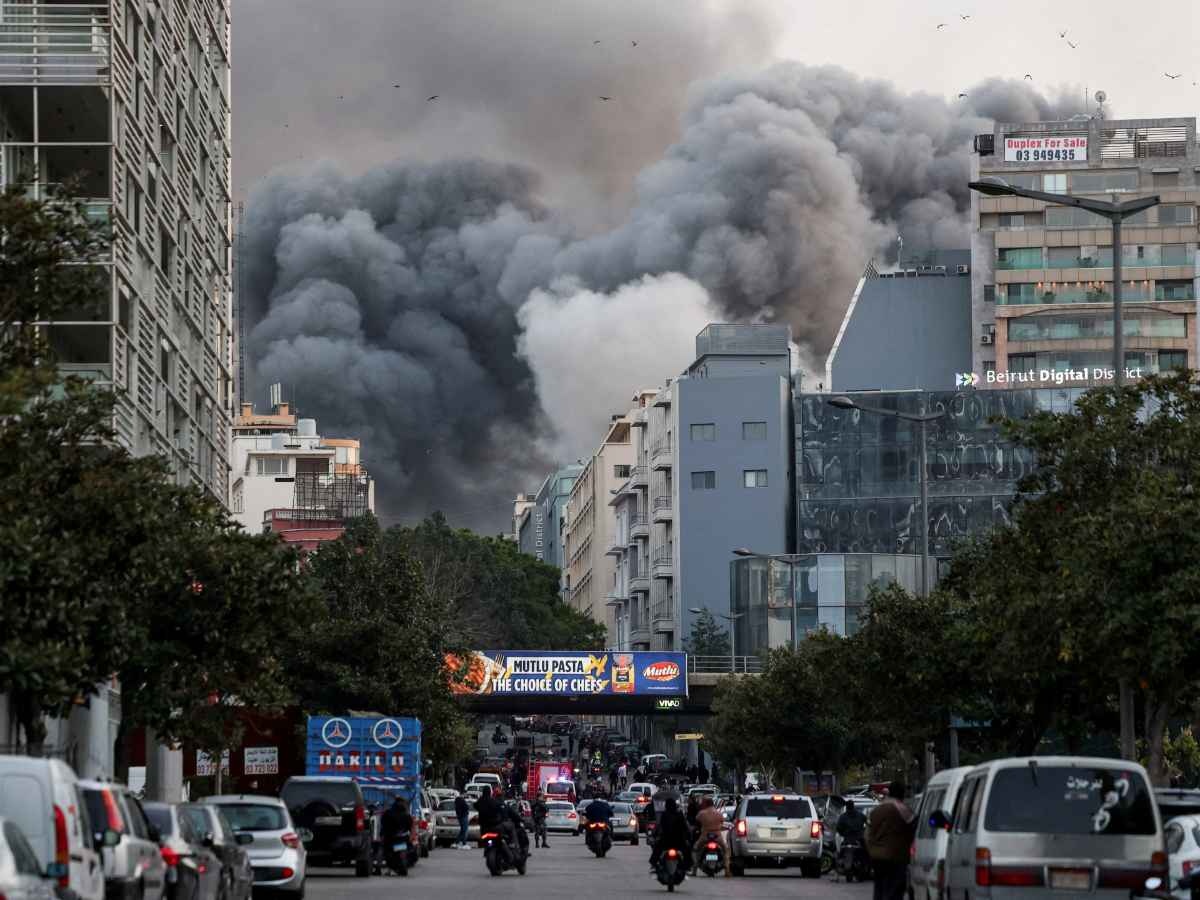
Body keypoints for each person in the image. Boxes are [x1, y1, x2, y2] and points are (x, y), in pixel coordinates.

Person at [867, 781, 917, 900]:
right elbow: (913, 826)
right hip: (895, 856)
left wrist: (871, 850)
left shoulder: (877, 809)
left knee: (879, 888)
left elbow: (868, 833)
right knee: (894, 890)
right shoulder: (902, 809)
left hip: (877, 856)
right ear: (902, 793)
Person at [649, 796, 694, 872]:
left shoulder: (664, 814)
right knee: (687, 850)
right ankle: (688, 865)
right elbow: (685, 827)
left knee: (657, 848)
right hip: (679, 841)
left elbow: (660, 827)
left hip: (666, 841)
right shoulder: (679, 814)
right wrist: (688, 837)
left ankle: (654, 863)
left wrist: (655, 835)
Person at [692, 797, 730, 876]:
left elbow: (697, 820)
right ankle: (727, 869)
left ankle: (694, 870)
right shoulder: (718, 813)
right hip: (717, 836)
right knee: (725, 850)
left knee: (695, 849)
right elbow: (722, 822)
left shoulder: (702, 813)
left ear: (705, 804)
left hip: (705, 836)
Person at [380, 795, 414, 865]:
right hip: (398, 837)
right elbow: (410, 826)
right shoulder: (405, 814)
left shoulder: (389, 812)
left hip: (394, 838)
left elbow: (383, 824)